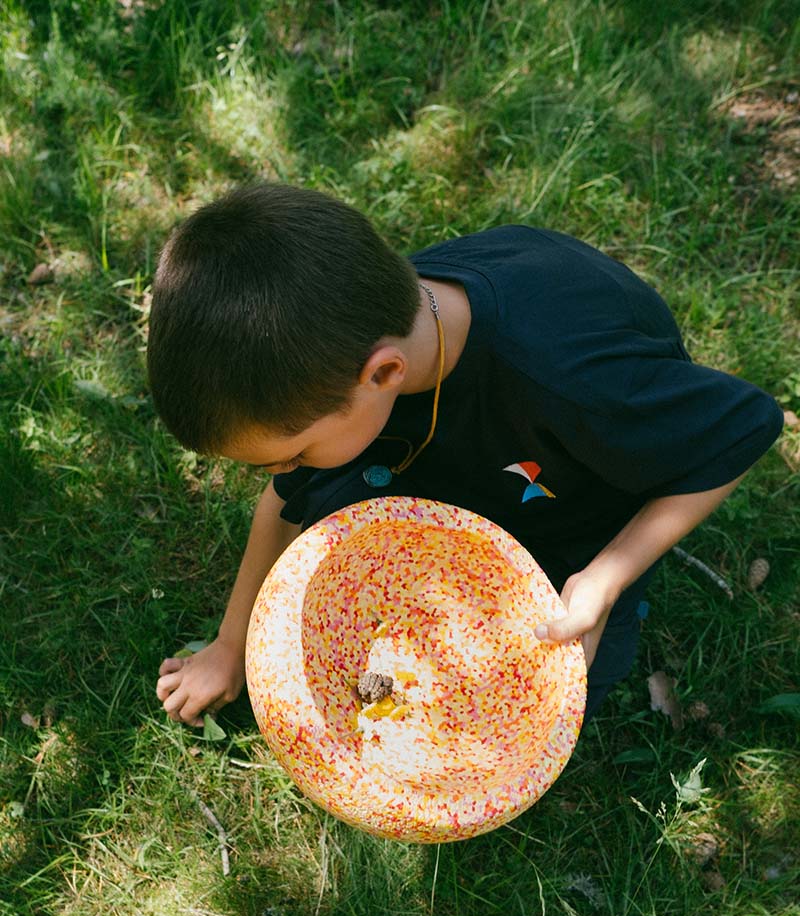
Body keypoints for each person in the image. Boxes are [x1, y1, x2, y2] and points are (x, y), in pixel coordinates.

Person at [147, 182, 783, 729]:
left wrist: (606, 576)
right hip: (478, 439)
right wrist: (231, 645)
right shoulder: (360, 323)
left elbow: (743, 427)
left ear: (383, 374)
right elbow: (287, 499)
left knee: (544, 689)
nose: (283, 473)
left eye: (292, 453)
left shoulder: (569, 379)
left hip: (577, 494)